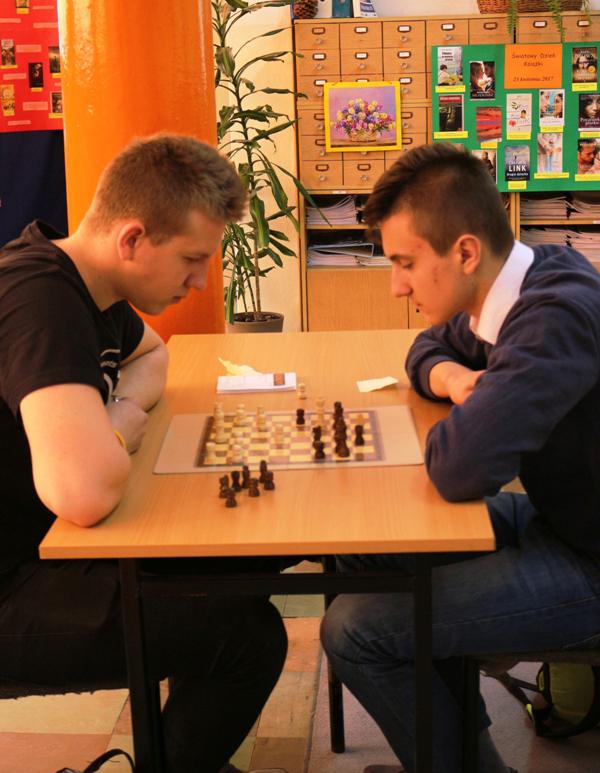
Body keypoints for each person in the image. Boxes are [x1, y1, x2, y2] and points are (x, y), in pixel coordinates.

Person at [0, 133, 290, 773]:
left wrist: (116, 415)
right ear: (131, 239)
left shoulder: (88, 286)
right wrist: (119, 430)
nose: (200, 281)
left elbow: (154, 356)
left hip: (48, 546)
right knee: (246, 638)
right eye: (191, 259)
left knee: (248, 558)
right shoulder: (40, 300)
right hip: (14, 581)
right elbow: (83, 493)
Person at [320, 142, 600, 773]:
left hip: (589, 560)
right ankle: (462, 750)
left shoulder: (553, 317)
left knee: (353, 631)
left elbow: (458, 469)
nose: (397, 286)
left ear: (465, 252)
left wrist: (469, 418)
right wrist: (454, 378)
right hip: (561, 521)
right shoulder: (525, 276)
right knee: (366, 546)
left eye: (406, 263)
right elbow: (426, 348)